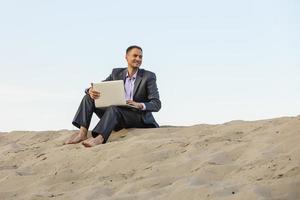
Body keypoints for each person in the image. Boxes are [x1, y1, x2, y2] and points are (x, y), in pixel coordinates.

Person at [64, 45, 161, 147]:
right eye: (135, 56)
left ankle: (99, 138)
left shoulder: (148, 76)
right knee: (89, 98)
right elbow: (100, 88)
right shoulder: (116, 73)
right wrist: (90, 90)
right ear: (126, 57)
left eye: (140, 57)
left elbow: (156, 104)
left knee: (114, 108)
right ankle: (82, 134)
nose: (138, 59)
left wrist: (140, 105)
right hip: (116, 117)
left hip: (137, 117)